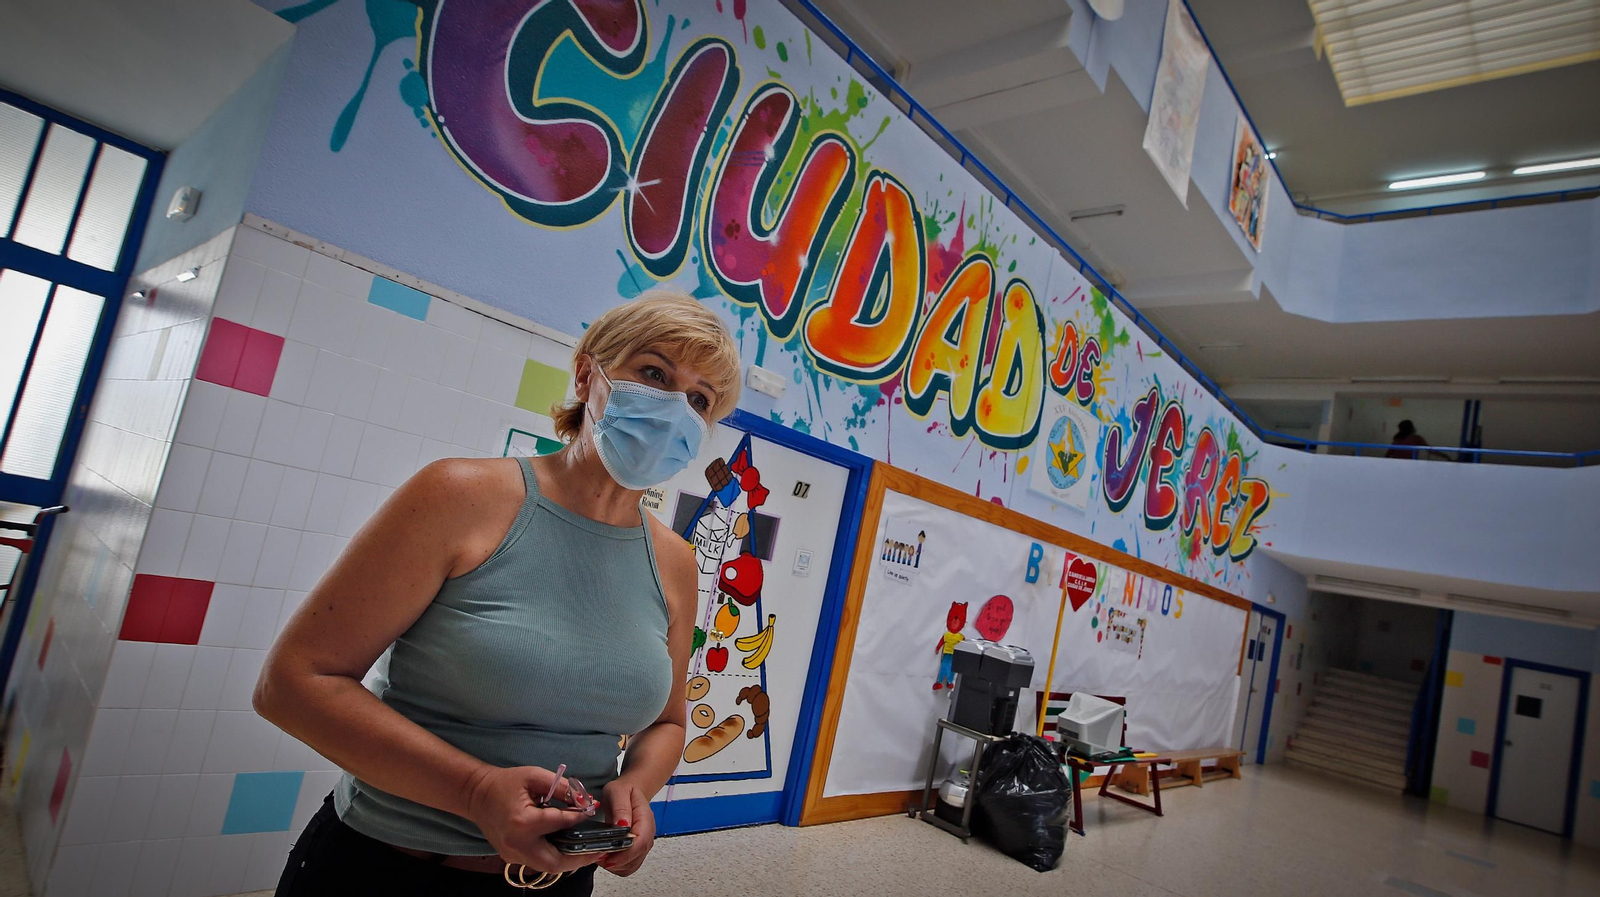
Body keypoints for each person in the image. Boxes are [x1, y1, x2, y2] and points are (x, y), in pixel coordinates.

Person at [254, 291, 742, 896]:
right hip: (387, 867)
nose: (674, 407)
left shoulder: (675, 562)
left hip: (555, 881)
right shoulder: (458, 497)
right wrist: (473, 791)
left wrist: (635, 790)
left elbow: (667, 722)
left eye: (699, 399)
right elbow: (293, 683)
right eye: (653, 373)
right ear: (589, 374)